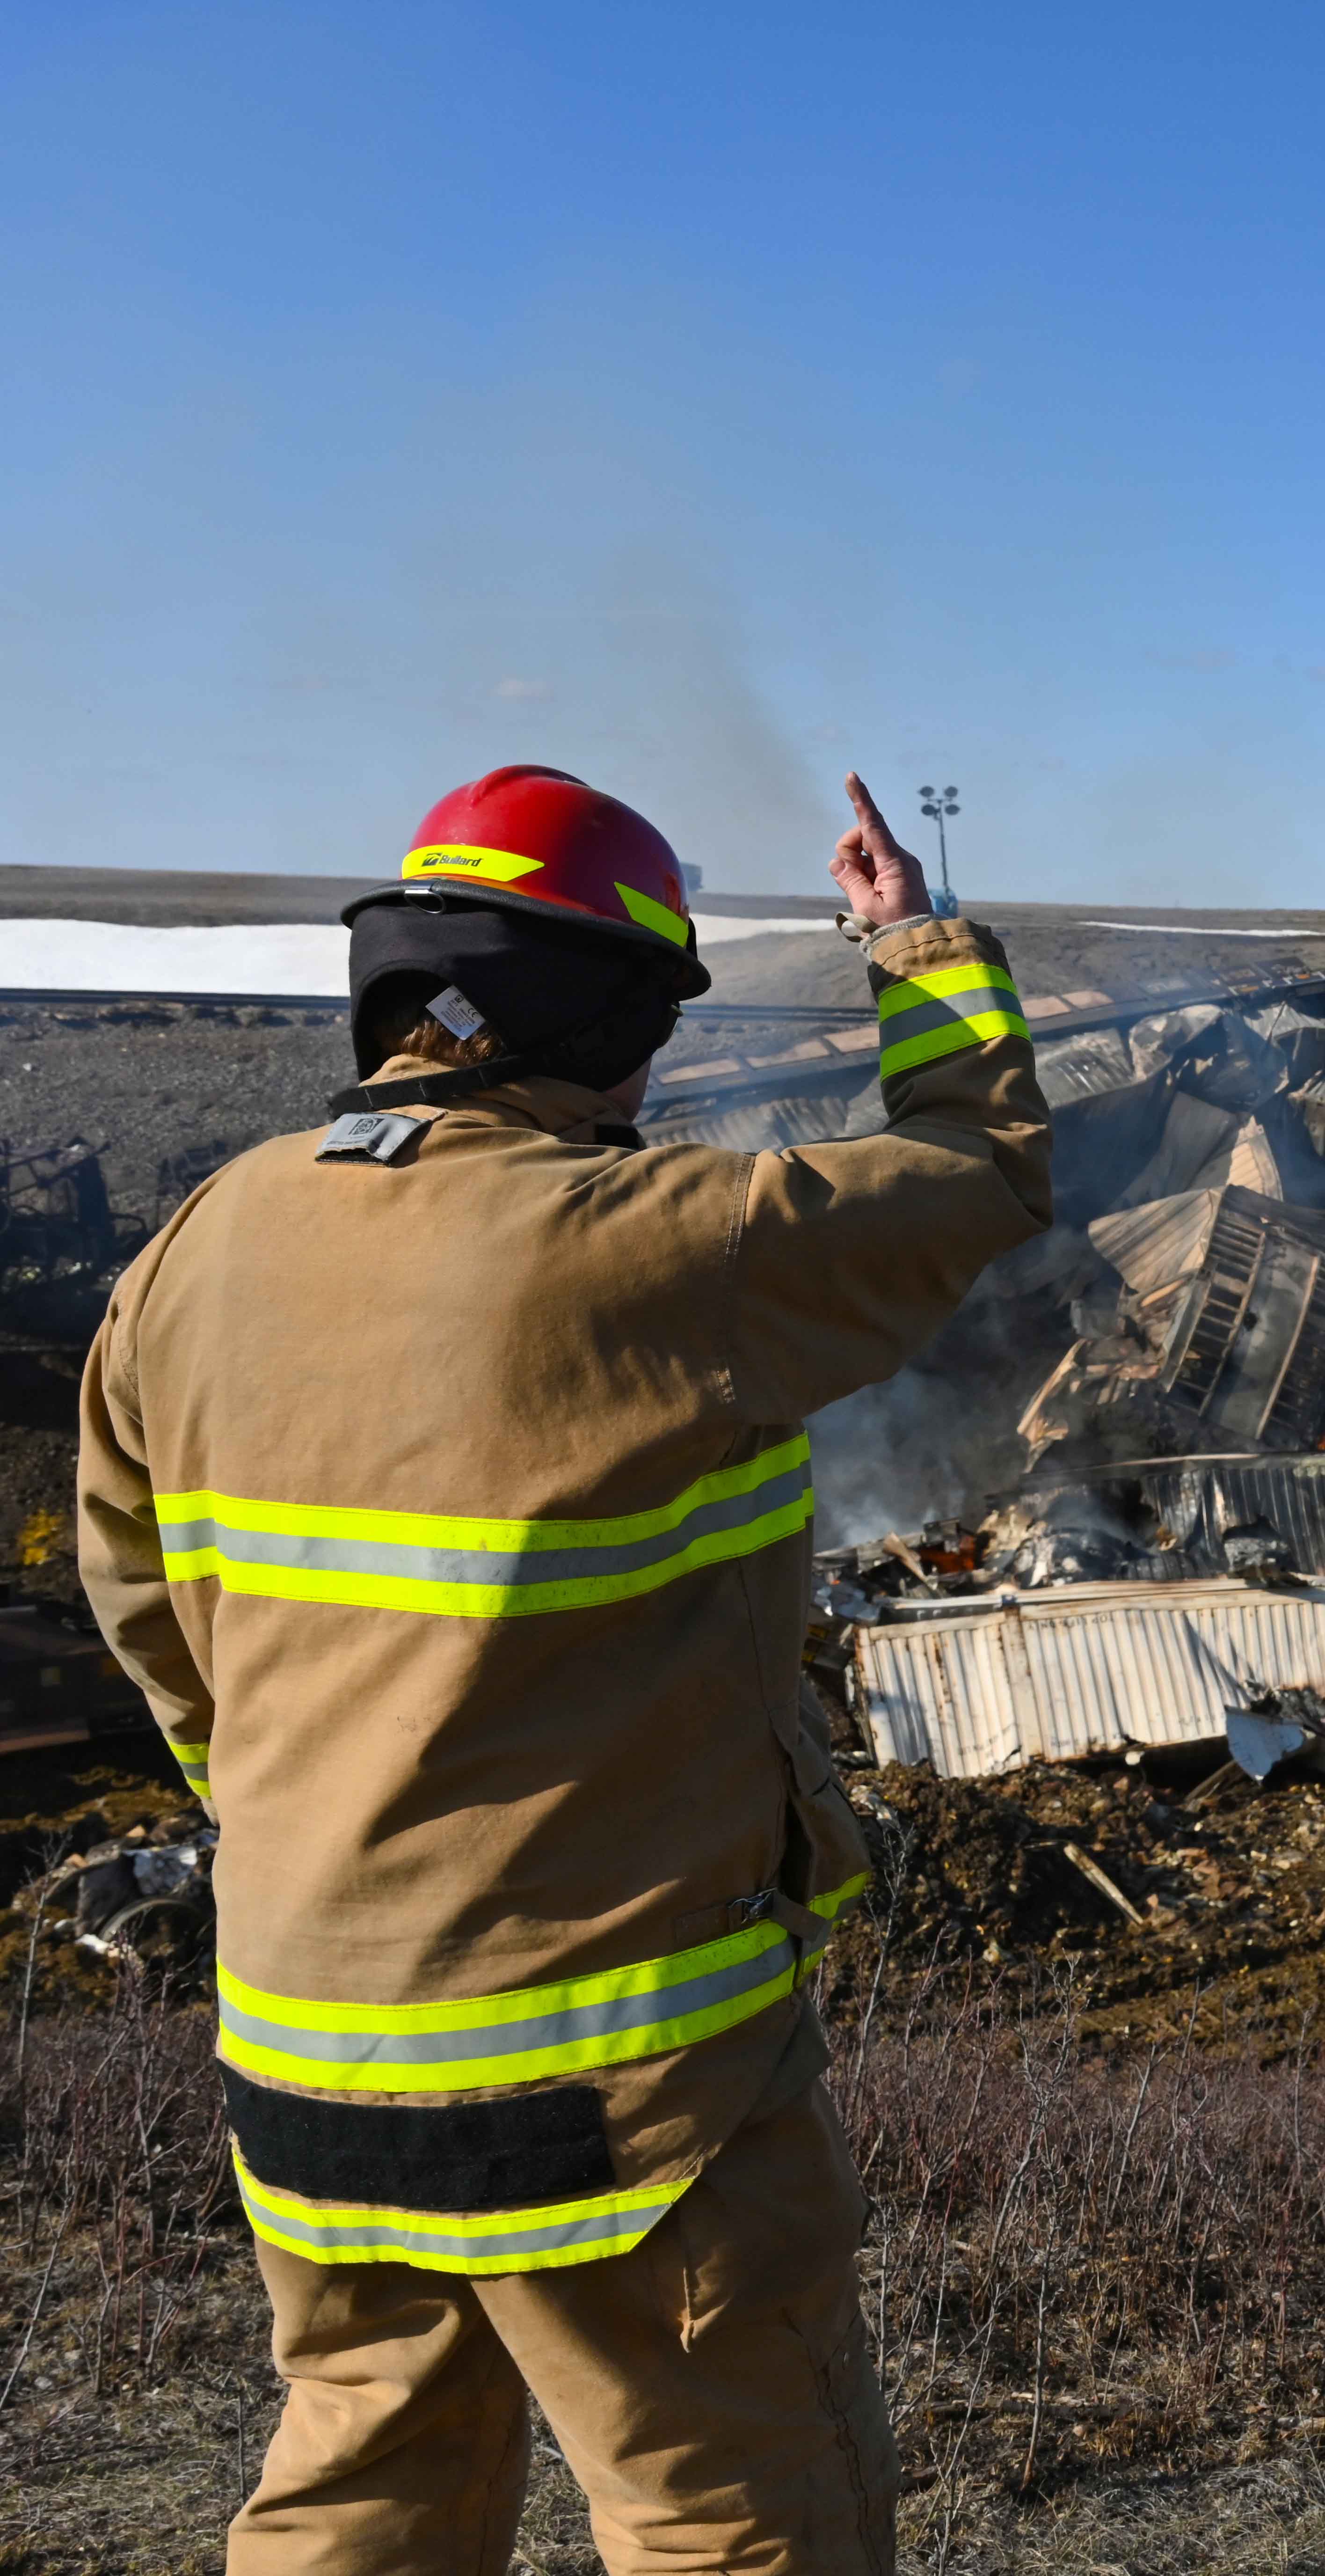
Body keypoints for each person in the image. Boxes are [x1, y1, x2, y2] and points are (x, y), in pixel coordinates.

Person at [78, 766, 1051, 2573]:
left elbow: (149, 1617)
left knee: (362, 2486)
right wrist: (909, 945)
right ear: (603, 1012)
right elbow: (980, 1174)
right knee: (731, 2505)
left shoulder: (196, 1250)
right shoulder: (666, 1242)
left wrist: (308, 1821)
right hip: (620, 2070)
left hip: (303, 2038)